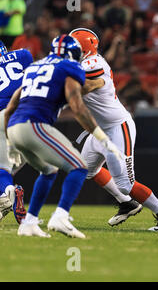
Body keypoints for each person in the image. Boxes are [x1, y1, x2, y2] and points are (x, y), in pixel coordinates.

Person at [4, 34, 122, 238]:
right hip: (35, 125)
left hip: (14, 127)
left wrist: (8, 135)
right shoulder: (69, 66)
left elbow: (12, 105)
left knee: (48, 170)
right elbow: (78, 107)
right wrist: (102, 137)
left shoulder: (35, 66)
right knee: (79, 166)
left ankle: (29, 223)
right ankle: (61, 217)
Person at [69, 28, 158, 231]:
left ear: (83, 49)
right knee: (85, 168)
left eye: (72, 47)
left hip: (118, 127)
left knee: (126, 183)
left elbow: (90, 84)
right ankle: (127, 203)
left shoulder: (92, 63)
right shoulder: (88, 61)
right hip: (102, 128)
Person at [0, 40, 32, 224]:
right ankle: (4, 199)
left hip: (4, 115)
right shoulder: (23, 54)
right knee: (13, 164)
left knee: (2, 168)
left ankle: (9, 192)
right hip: (29, 114)